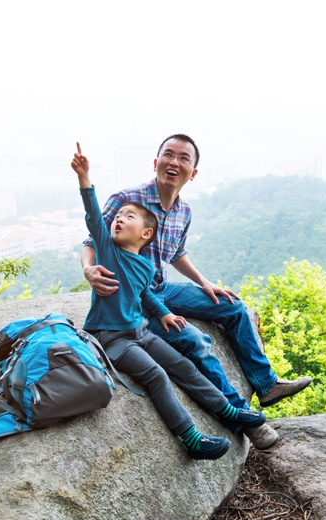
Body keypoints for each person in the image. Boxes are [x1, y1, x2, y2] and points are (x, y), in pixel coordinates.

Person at [81, 134, 311, 450]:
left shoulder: (183, 211)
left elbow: (176, 253)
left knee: (233, 306)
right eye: (168, 154)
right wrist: (89, 270)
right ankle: (242, 419)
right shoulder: (127, 199)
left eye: (184, 158)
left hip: (161, 288)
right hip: (140, 300)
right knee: (195, 342)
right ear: (156, 161)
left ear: (193, 171)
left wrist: (204, 282)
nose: (174, 162)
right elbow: (93, 241)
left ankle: (266, 384)